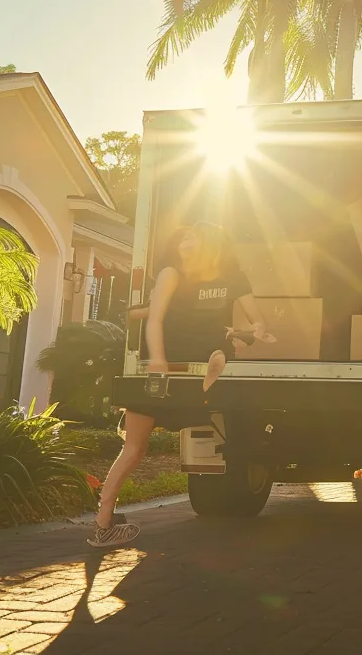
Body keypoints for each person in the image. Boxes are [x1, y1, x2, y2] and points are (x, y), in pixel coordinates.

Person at [89, 222, 268, 548]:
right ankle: (221, 351)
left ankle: (103, 523)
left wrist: (254, 329)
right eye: (183, 237)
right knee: (133, 448)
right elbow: (155, 318)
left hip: (175, 360)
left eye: (194, 237)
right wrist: (157, 358)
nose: (186, 241)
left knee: (132, 449)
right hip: (174, 359)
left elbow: (256, 319)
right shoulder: (173, 273)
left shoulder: (224, 277)